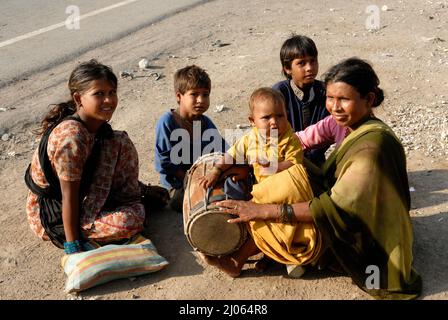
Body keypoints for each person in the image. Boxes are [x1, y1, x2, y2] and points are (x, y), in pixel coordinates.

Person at [208, 57, 422, 299]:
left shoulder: (373, 149)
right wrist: (252, 164)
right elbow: (297, 141)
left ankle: (240, 258)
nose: (335, 107)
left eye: (344, 99)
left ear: (369, 99)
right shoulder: (350, 124)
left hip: (368, 237)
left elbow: (333, 208)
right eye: (330, 98)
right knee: (292, 178)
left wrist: (265, 210)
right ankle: (270, 251)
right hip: (348, 207)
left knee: (279, 205)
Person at [25, 59, 154, 255]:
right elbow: (69, 195)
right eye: (99, 94)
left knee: (118, 141)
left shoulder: (94, 125)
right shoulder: (72, 137)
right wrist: (73, 246)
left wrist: (143, 189)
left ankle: (130, 200)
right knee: (129, 221)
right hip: (53, 211)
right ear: (78, 99)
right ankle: (92, 225)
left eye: (112, 92)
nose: (109, 100)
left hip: (80, 195)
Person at [198, 87, 322, 277]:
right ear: (252, 121)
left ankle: (238, 261)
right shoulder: (250, 138)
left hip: (287, 195)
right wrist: (216, 171)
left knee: (262, 220)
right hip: (264, 193)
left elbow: (295, 167)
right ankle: (272, 255)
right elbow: (232, 155)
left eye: (280, 116)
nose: (275, 122)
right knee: (254, 225)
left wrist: (274, 166)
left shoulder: (290, 139)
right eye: (266, 118)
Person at [154, 65, 227, 212]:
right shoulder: (167, 122)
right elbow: (165, 163)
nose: (201, 100)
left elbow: (223, 149)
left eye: (205, 95)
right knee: (191, 203)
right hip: (178, 182)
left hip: (203, 176)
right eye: (194, 94)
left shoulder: (205, 122)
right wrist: (190, 180)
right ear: (179, 96)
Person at [272, 34, 329, 166]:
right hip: (285, 163)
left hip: (317, 163)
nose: (309, 68)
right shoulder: (278, 94)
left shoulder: (326, 92)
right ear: (287, 68)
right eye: (301, 63)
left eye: (313, 61)